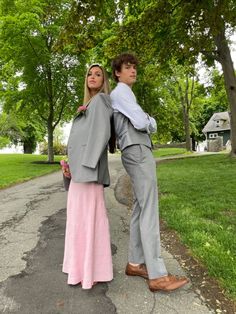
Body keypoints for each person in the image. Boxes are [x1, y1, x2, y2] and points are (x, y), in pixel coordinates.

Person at [110, 53, 188, 292]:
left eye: (134, 67)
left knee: (141, 207)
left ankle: (135, 263)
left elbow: (141, 120)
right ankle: (157, 275)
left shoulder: (125, 94)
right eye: (127, 67)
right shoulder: (121, 92)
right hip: (138, 149)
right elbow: (143, 123)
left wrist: (145, 119)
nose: (133, 71)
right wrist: (148, 120)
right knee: (150, 209)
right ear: (117, 72)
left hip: (134, 148)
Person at [62, 64, 115, 289]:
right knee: (78, 221)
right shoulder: (87, 105)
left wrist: (86, 165)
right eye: (89, 74)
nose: (92, 77)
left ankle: (89, 272)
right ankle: (80, 270)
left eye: (98, 74)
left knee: (87, 221)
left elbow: (102, 133)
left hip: (88, 172)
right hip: (79, 173)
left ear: (104, 81)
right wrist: (69, 167)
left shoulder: (102, 101)